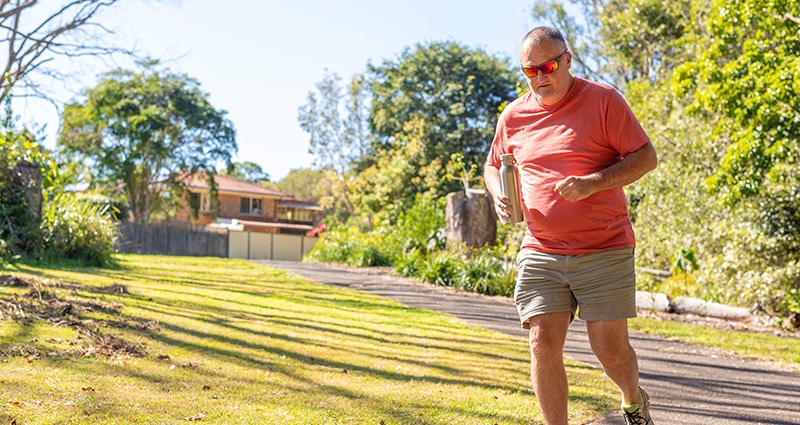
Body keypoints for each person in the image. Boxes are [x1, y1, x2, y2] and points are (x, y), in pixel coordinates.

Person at [483, 27, 658, 425]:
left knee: (609, 351)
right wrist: (497, 192)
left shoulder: (603, 101)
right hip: (541, 247)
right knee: (541, 341)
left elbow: (646, 157)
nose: (540, 77)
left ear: (567, 60)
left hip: (605, 246)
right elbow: (494, 163)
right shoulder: (513, 115)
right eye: (530, 71)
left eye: (547, 66)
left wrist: (593, 183)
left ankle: (633, 398)